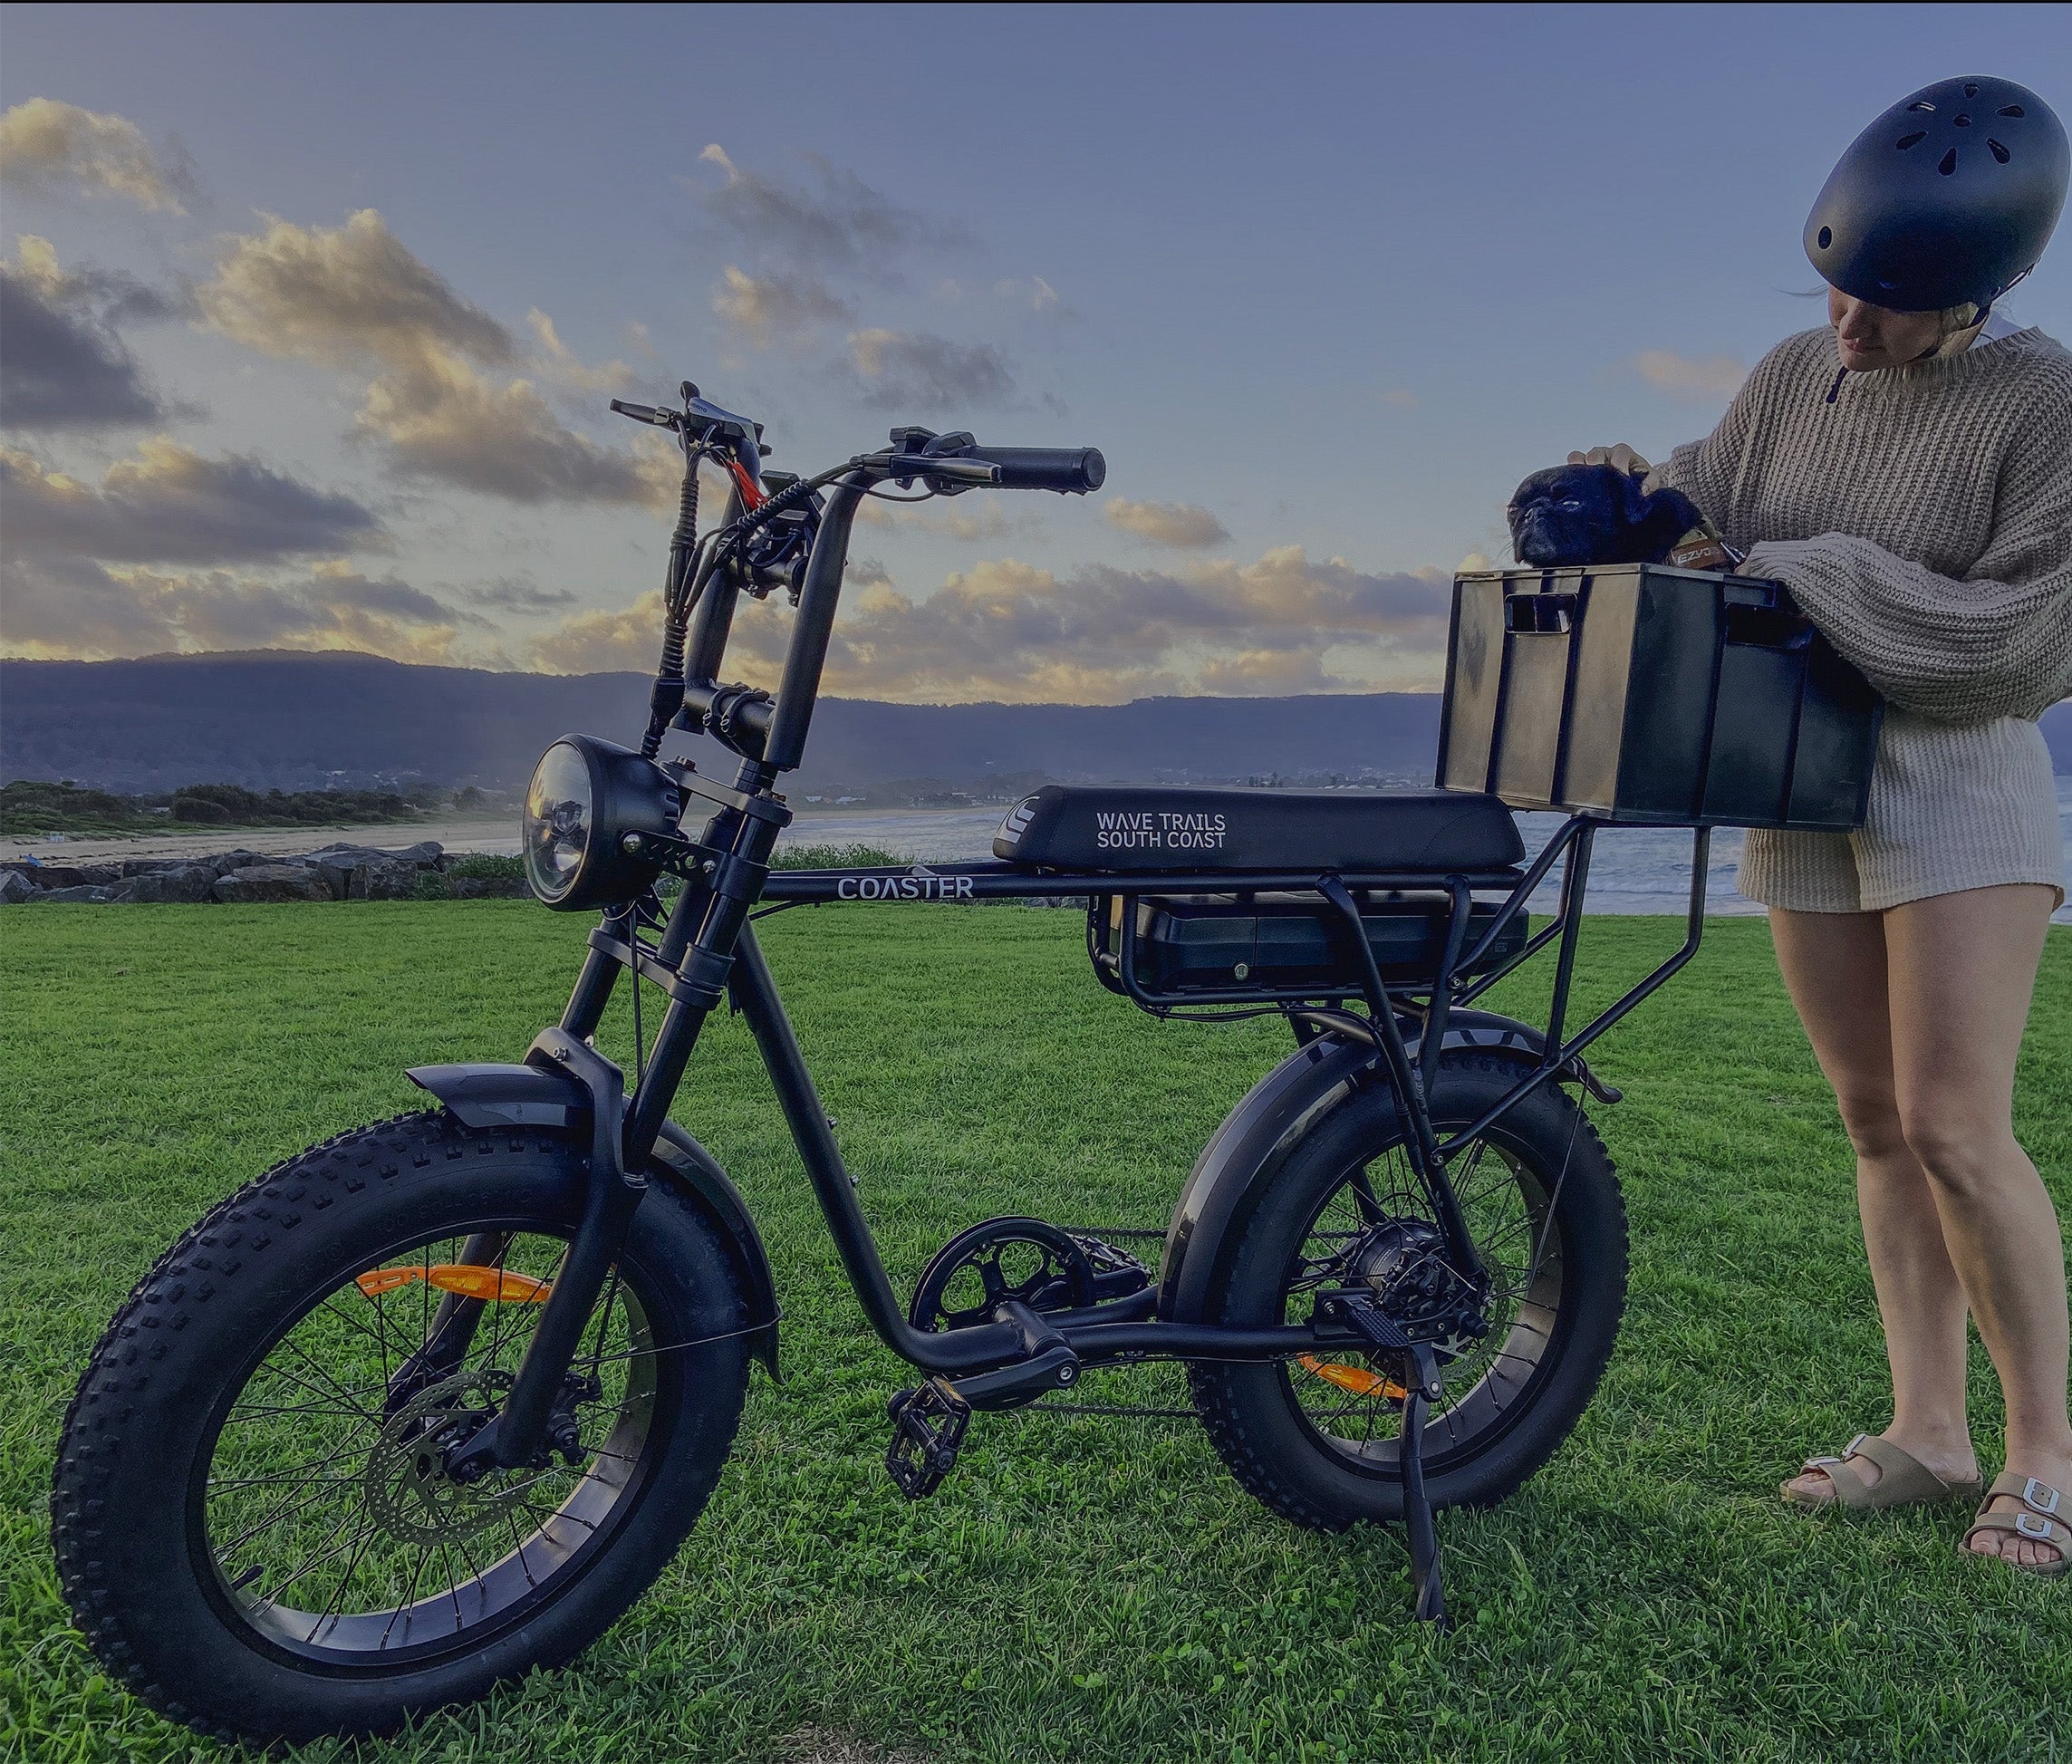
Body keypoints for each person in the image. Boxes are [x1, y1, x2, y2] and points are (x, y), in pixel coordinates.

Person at [1572, 75, 2071, 1576]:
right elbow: (1714, 513)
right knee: (1873, 1123)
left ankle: (2048, 1454)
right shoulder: (1800, 369)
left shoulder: (2045, 402)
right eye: (1834, 287)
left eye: (1886, 305)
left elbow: (2026, 640)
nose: (1848, 325)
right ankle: (1931, 1434)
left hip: (1956, 782)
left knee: (1955, 1128)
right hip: (1800, 775)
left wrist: (1812, 570)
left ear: (1977, 290)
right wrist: (1626, 500)